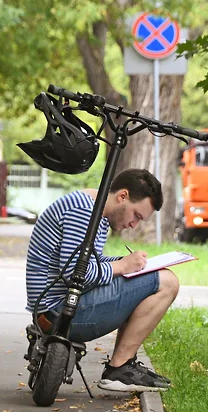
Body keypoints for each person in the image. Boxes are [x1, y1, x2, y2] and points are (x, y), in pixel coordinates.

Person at [25, 168, 178, 392]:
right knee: (168, 281)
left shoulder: (92, 209)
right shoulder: (83, 211)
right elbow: (76, 275)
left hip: (55, 307)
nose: (134, 225)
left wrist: (124, 262)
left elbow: (84, 262)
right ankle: (120, 368)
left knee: (151, 276)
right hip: (59, 312)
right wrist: (122, 266)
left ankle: (123, 366)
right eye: (136, 215)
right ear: (122, 196)